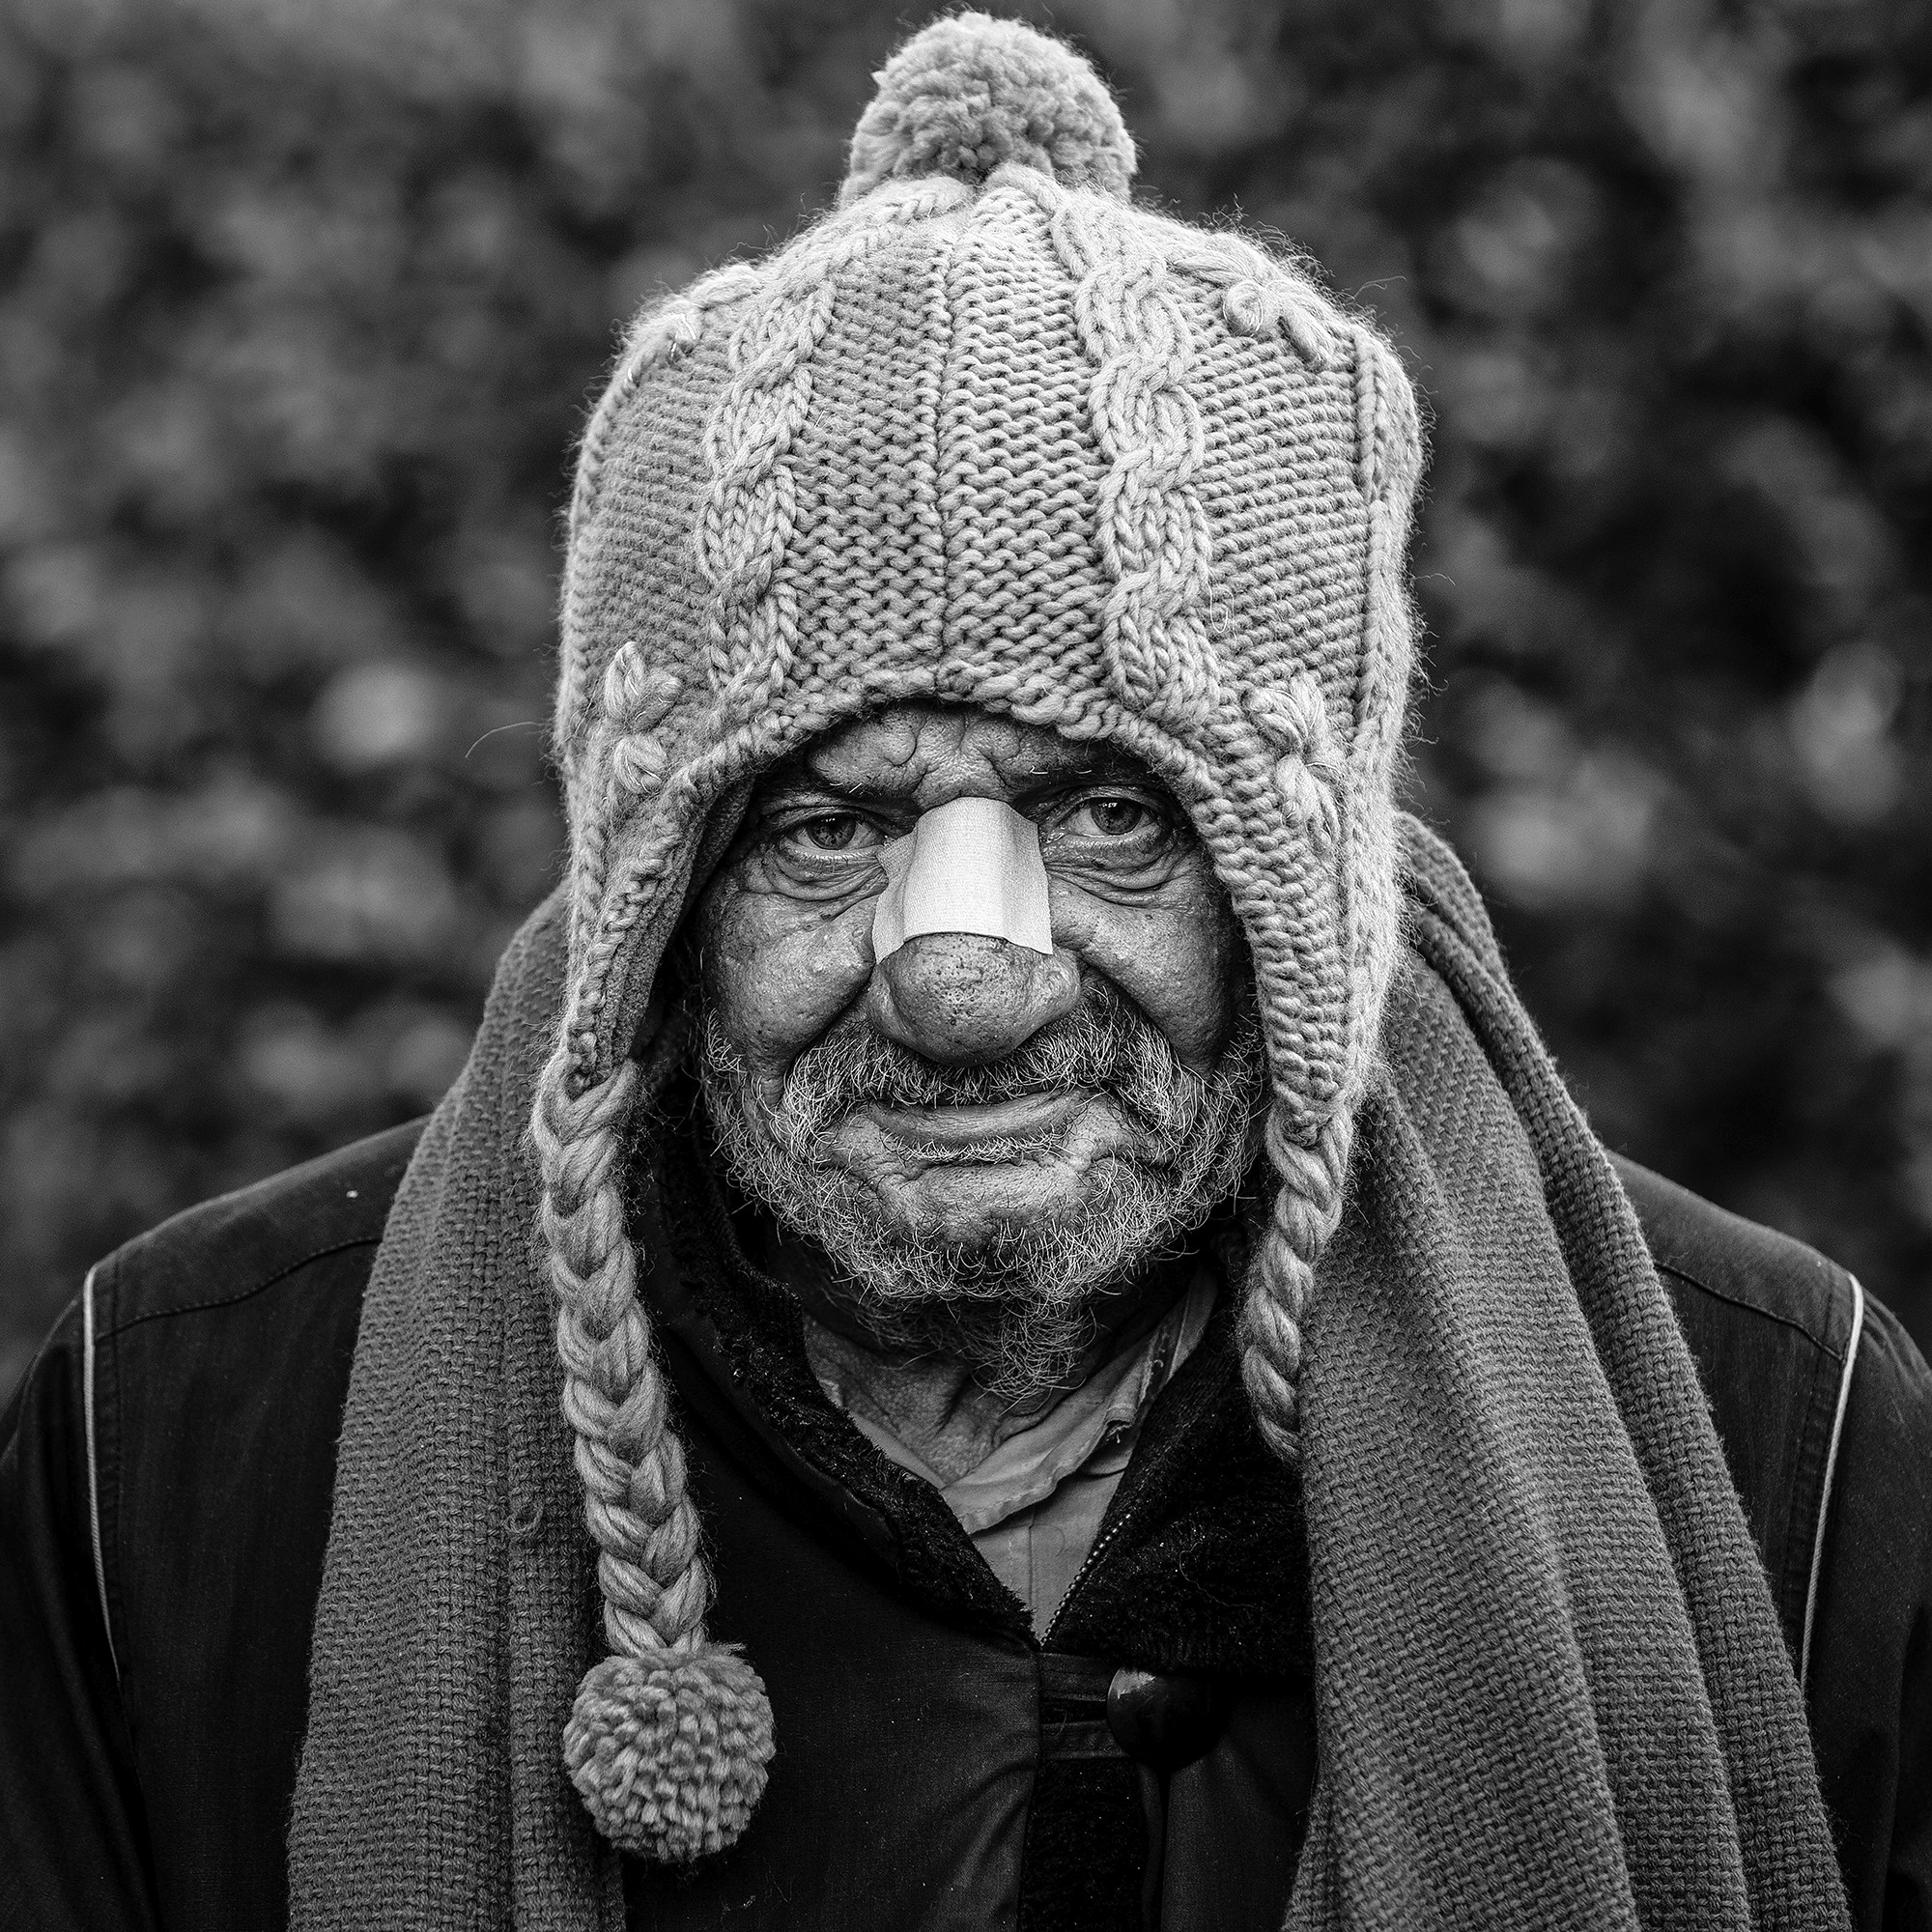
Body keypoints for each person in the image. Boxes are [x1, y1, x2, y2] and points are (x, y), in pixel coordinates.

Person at [3, 15, 1927, 1930]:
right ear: (653, 897)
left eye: (1110, 815)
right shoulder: (173, 1442)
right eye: (822, 826)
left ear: (1299, 870)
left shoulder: (1792, 1444)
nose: (967, 980)